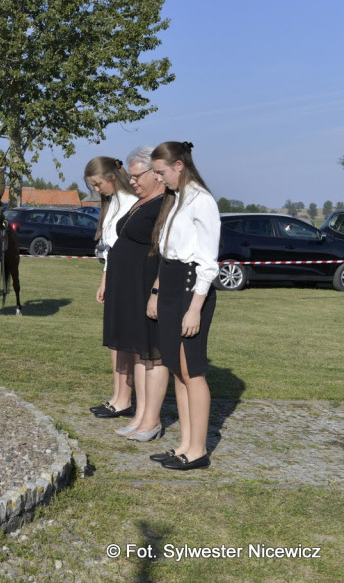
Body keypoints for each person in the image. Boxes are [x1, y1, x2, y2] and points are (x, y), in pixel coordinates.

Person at [146, 141, 220, 471]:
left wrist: (195, 308)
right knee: (178, 369)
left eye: (161, 172)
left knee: (193, 370)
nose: (158, 179)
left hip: (192, 289)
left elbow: (207, 262)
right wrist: (157, 292)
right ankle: (185, 445)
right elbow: (166, 255)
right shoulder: (175, 200)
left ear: (179, 166)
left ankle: (199, 449)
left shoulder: (202, 201)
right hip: (173, 285)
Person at [94, 148, 168, 441]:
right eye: (132, 175)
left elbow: (165, 250)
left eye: (138, 176)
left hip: (145, 284)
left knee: (152, 353)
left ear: (155, 173)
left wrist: (156, 291)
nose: (132, 180)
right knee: (138, 352)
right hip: (128, 285)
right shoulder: (142, 201)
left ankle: (151, 419)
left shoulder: (164, 203)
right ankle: (139, 415)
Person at [84, 157, 140, 419]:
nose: (96, 189)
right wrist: (104, 280)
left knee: (125, 341)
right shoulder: (113, 203)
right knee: (115, 342)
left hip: (129, 277)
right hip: (115, 274)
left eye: (97, 183)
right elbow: (108, 250)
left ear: (111, 177)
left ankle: (125, 399)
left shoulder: (131, 204)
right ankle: (117, 396)